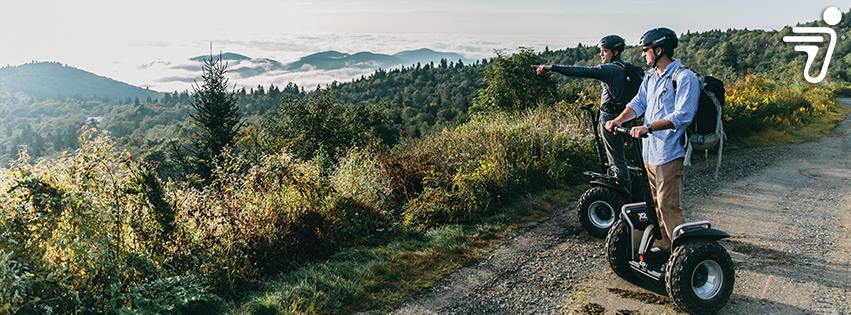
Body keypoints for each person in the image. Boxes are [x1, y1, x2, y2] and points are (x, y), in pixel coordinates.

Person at [604, 27, 699, 252]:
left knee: (668, 205)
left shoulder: (685, 77)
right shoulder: (651, 77)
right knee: (654, 204)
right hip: (649, 153)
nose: (643, 54)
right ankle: (666, 244)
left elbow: (683, 115)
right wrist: (617, 121)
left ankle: (683, 254)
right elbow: (638, 103)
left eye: (646, 50)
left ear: (659, 50)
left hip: (669, 152)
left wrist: (649, 127)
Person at [533, 35, 636, 189]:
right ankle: (630, 188)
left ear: (615, 52)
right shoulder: (626, 66)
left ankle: (623, 195)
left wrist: (551, 67)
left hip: (610, 120)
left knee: (617, 160)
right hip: (626, 117)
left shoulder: (609, 69)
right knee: (620, 157)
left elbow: (580, 71)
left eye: (604, 51)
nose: (601, 54)